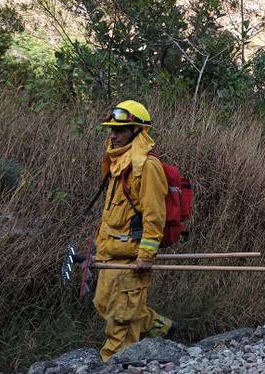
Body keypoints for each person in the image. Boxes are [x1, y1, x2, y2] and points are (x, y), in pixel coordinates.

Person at [94, 100, 174, 362]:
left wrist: (145, 256)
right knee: (104, 304)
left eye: (121, 130)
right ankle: (162, 329)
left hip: (131, 258)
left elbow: (154, 216)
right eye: (112, 130)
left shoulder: (146, 166)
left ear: (137, 131)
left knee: (121, 321)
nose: (113, 135)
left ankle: (113, 363)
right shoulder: (119, 165)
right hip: (111, 254)